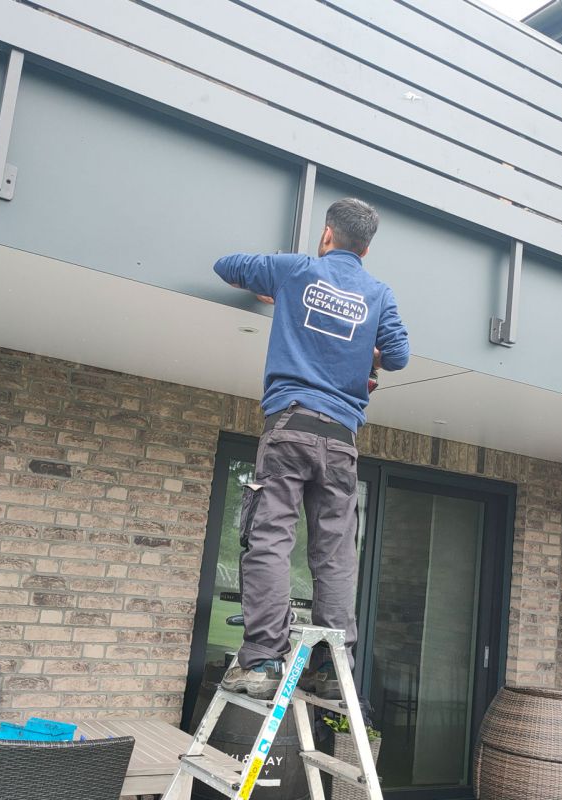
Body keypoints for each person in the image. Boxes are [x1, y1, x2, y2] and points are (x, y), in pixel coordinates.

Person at [213, 198, 410, 699]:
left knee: (271, 540)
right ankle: (330, 667)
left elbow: (227, 265)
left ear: (327, 236)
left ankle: (261, 660)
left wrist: (284, 295)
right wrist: (364, 346)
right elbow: (401, 355)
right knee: (336, 553)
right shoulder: (379, 293)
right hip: (342, 442)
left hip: (290, 427)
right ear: (366, 247)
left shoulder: (296, 271)